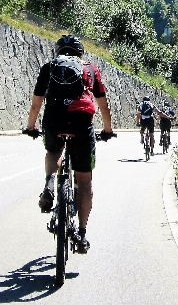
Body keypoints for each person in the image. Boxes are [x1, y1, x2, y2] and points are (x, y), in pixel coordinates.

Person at [23, 35, 114, 254]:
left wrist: (31, 127)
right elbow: (103, 104)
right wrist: (107, 130)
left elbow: (36, 104)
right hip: (82, 121)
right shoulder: (90, 69)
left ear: (58, 51)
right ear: (80, 53)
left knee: (53, 150)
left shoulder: (49, 67)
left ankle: (50, 183)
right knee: (84, 180)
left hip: (54, 119)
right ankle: (81, 235)